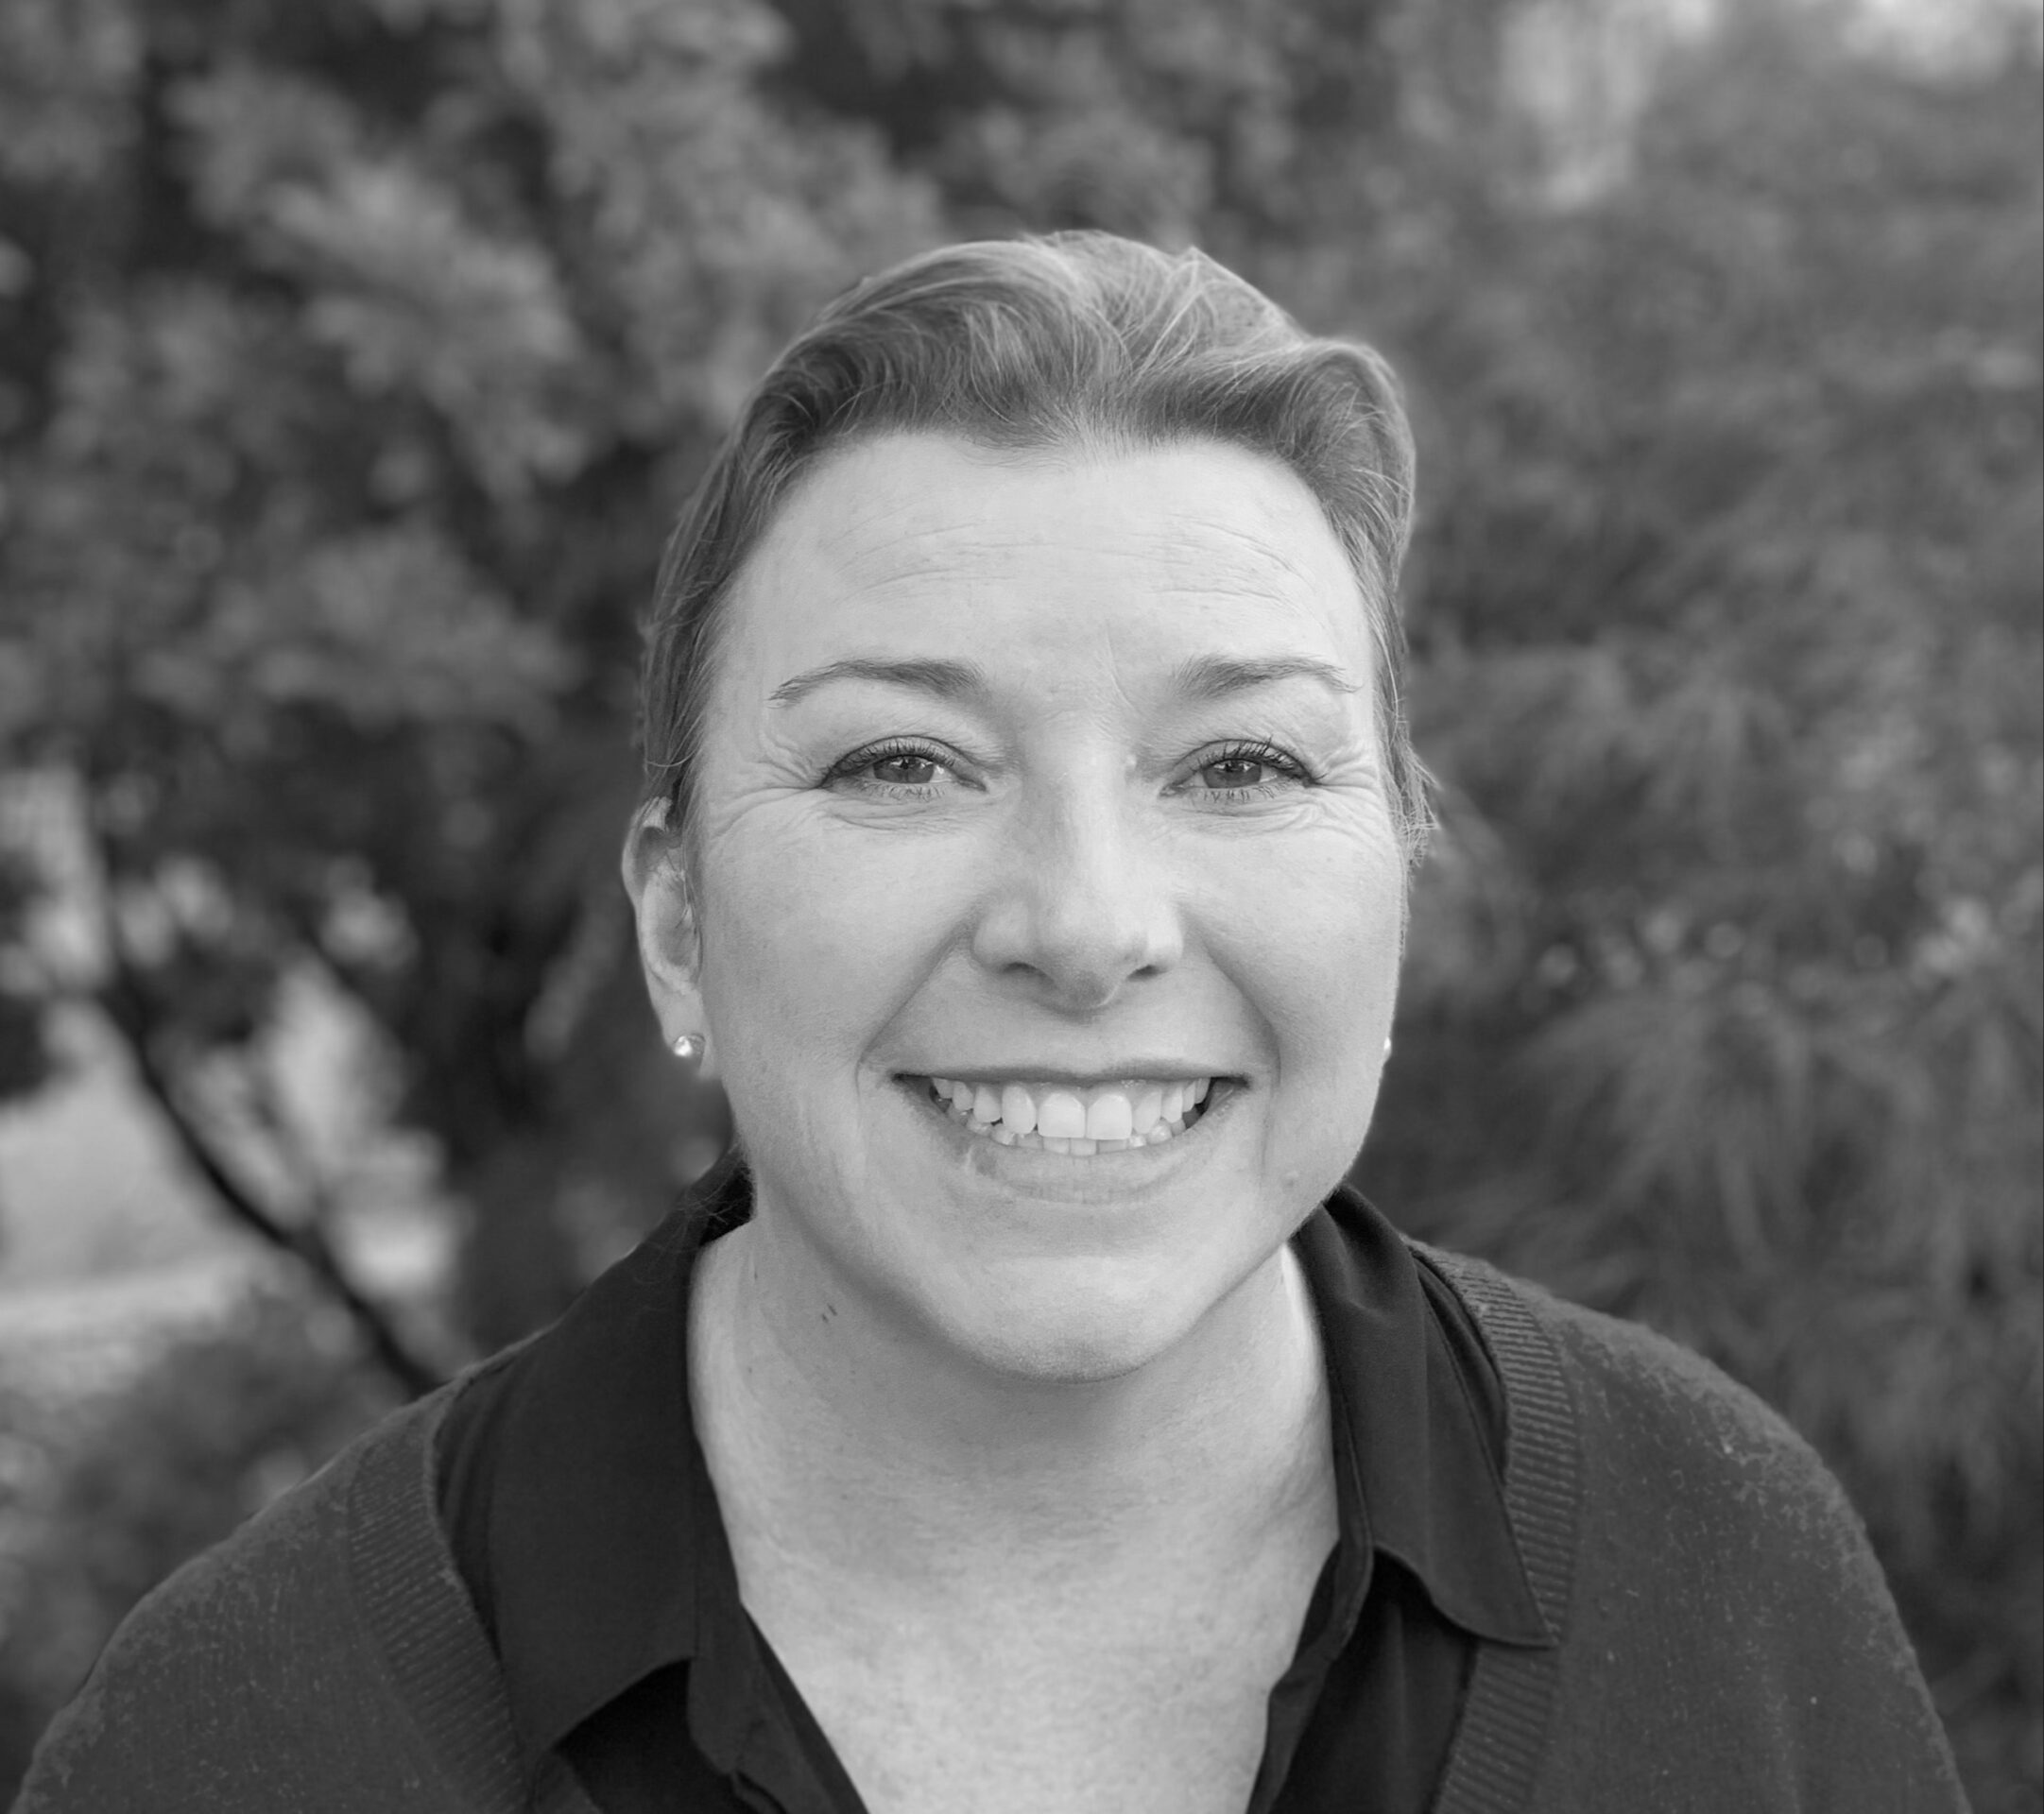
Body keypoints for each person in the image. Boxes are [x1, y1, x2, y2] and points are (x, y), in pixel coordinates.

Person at [15, 232, 1964, 1814]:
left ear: (1398, 875)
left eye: (1238, 765)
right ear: (677, 925)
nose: (1087, 926)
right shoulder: (245, 1747)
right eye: (899, 762)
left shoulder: (1710, 1575)